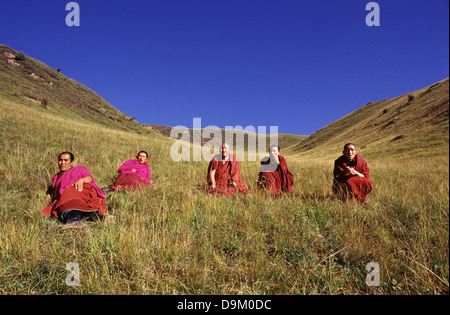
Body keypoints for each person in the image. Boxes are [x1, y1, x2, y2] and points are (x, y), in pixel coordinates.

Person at [41, 152, 107, 227]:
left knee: (67, 195)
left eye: (66, 160)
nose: (62, 163)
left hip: (80, 191)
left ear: (71, 162)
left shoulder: (79, 169)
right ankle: (97, 217)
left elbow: (89, 178)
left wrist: (81, 180)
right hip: (66, 195)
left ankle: (74, 221)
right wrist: (49, 195)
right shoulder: (56, 177)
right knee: (63, 199)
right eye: (60, 160)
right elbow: (55, 190)